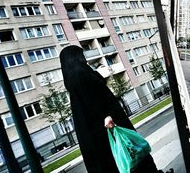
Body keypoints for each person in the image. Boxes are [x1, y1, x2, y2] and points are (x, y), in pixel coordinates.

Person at [60, 45, 160, 173]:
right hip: (108, 124)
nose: (85, 60)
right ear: (75, 58)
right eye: (82, 56)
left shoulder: (73, 77)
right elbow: (93, 98)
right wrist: (106, 117)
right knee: (131, 154)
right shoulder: (79, 73)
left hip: (97, 131)